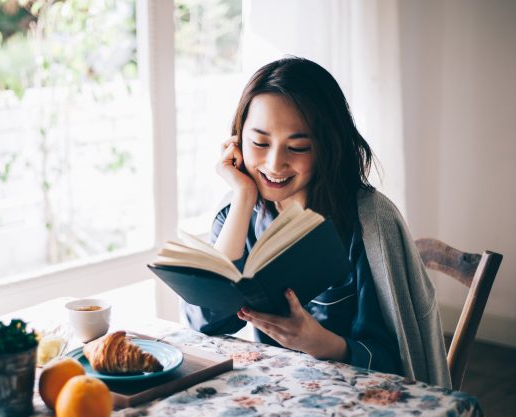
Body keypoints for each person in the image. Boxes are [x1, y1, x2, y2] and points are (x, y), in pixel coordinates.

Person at [181, 57, 451, 388]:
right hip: (276, 396)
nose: (274, 163)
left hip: (358, 405)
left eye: (298, 147)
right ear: (236, 141)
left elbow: (399, 364)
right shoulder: (238, 208)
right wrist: (241, 196)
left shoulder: (368, 224)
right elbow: (204, 323)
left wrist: (319, 342)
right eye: (260, 143)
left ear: (327, 147)